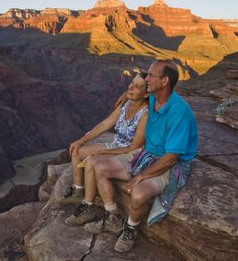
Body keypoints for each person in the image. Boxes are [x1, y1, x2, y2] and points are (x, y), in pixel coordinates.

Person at [84, 59, 198, 253]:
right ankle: (112, 217)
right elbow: (139, 86)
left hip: (169, 163)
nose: (147, 78)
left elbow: (171, 158)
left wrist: (141, 176)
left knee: (138, 193)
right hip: (145, 153)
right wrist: (125, 95)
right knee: (98, 166)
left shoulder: (180, 113)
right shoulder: (154, 97)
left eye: (151, 76)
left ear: (165, 81)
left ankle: (130, 228)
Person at [60, 72, 150, 226]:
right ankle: (78, 189)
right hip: (115, 145)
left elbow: (134, 147)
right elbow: (104, 125)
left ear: (147, 93)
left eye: (137, 86)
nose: (131, 87)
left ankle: (89, 207)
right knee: (77, 150)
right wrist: (81, 140)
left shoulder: (145, 115)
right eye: (131, 83)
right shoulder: (126, 104)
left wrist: (103, 152)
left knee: (92, 162)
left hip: (128, 153)